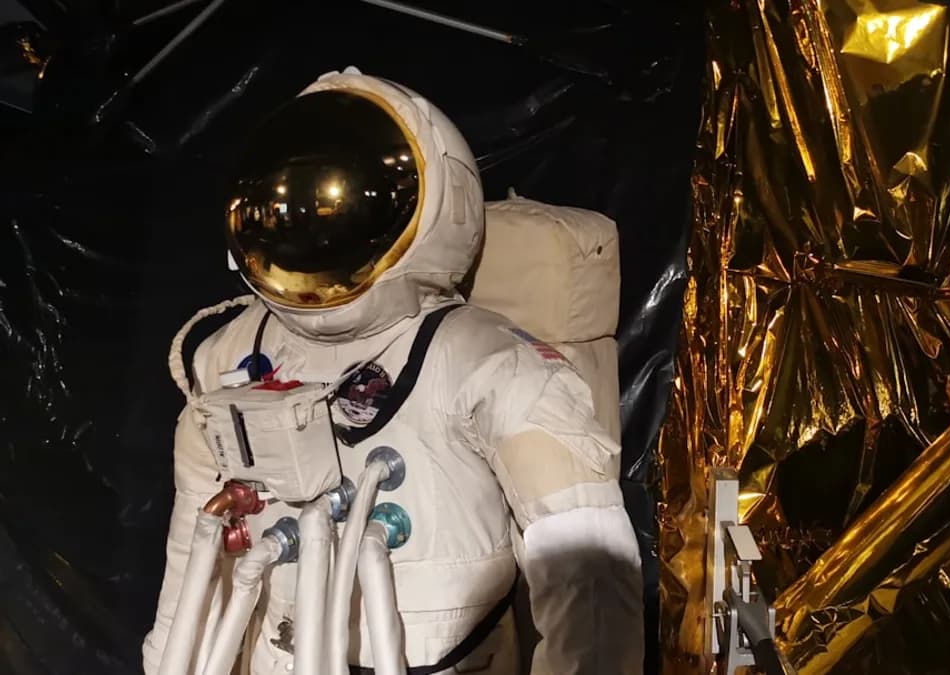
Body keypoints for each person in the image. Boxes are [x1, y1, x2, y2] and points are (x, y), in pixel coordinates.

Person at [143, 67, 645, 675]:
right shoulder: (230, 358)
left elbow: (587, 587)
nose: (312, 224)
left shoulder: (485, 363)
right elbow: (194, 559)